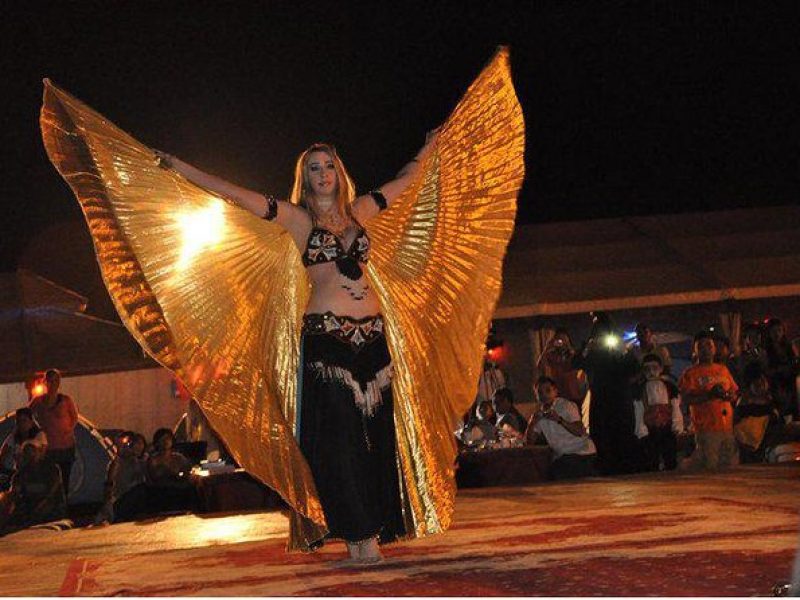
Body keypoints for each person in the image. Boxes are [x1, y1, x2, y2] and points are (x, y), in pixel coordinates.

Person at [40, 49, 525, 563]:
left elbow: (405, 183)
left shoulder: (361, 214)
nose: (322, 174)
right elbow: (236, 194)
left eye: (329, 166)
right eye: (314, 167)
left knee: (374, 442)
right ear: (306, 175)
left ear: (340, 173)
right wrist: (179, 167)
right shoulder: (295, 220)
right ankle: (357, 535)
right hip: (326, 340)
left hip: (375, 343)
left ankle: (375, 528)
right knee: (334, 444)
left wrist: (433, 149)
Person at [572, 312, 641, 475]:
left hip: (620, 400)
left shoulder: (619, 351)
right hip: (601, 400)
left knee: (623, 434)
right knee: (602, 436)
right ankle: (607, 469)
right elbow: (576, 363)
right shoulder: (592, 352)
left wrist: (623, 351)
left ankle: (625, 468)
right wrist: (587, 348)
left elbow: (635, 369)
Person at [678, 331, 739, 470]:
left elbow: (734, 392)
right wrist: (709, 395)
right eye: (701, 346)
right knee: (711, 466)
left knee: (729, 465)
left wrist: (728, 396)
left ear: (714, 348)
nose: (706, 349)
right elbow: (686, 399)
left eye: (709, 345)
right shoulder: (691, 373)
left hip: (727, 427)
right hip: (706, 428)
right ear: (695, 351)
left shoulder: (723, 369)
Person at [525, 376, 597, 480]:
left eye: (548, 391)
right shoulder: (539, 414)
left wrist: (559, 420)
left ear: (555, 391)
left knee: (556, 472)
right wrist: (531, 424)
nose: (544, 395)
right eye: (540, 392)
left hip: (582, 453)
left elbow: (579, 431)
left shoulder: (566, 406)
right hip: (565, 457)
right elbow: (529, 443)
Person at [29, 369, 78, 498]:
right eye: (50, 380)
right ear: (45, 382)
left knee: (64, 479)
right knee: (48, 479)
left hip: (65, 447)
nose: (53, 383)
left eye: (56, 380)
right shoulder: (38, 402)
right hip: (47, 449)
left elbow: (74, 418)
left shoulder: (66, 401)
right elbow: (28, 415)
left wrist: (66, 430)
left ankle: (63, 507)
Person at [0, 441, 66, 535]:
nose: (31, 456)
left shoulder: (52, 469)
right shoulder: (20, 474)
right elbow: (14, 493)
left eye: (32, 452)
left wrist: (40, 506)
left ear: (39, 453)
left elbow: (52, 493)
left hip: (50, 506)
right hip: (29, 507)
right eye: (27, 454)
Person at [632, 354, 683, 471]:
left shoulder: (670, 386)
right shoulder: (640, 389)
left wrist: (677, 425)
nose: (651, 371)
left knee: (670, 460)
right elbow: (638, 410)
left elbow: (675, 407)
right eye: (647, 369)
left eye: (654, 368)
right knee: (651, 461)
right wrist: (641, 430)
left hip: (667, 428)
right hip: (650, 429)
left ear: (661, 368)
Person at [734, 363, 785, 463]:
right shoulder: (745, 401)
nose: (761, 386)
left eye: (763, 382)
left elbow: (779, 420)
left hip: (768, 446)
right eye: (757, 384)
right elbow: (738, 421)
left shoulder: (771, 399)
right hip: (749, 446)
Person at [94, 431, 147, 525]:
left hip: (136, 499)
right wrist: (107, 503)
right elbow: (109, 483)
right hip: (120, 501)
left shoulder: (140, 462)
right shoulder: (117, 463)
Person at [537, 328, 587, 409]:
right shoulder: (552, 355)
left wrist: (569, 348)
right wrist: (548, 345)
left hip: (573, 394)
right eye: (559, 340)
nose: (561, 343)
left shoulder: (572, 355)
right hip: (558, 393)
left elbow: (579, 364)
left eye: (564, 340)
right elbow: (540, 365)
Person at [0, 408, 48, 487]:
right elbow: (4, 451)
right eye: (18, 421)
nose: (21, 424)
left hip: (34, 472)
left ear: (31, 421)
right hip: (15, 471)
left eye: (24, 420)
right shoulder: (14, 436)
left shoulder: (39, 436)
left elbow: (41, 454)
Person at [763, 318, 799, 421]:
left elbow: (794, 365)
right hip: (775, 386)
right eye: (774, 331)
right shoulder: (767, 350)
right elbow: (767, 370)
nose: (777, 334)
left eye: (779, 330)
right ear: (769, 333)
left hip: (790, 385)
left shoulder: (789, 347)